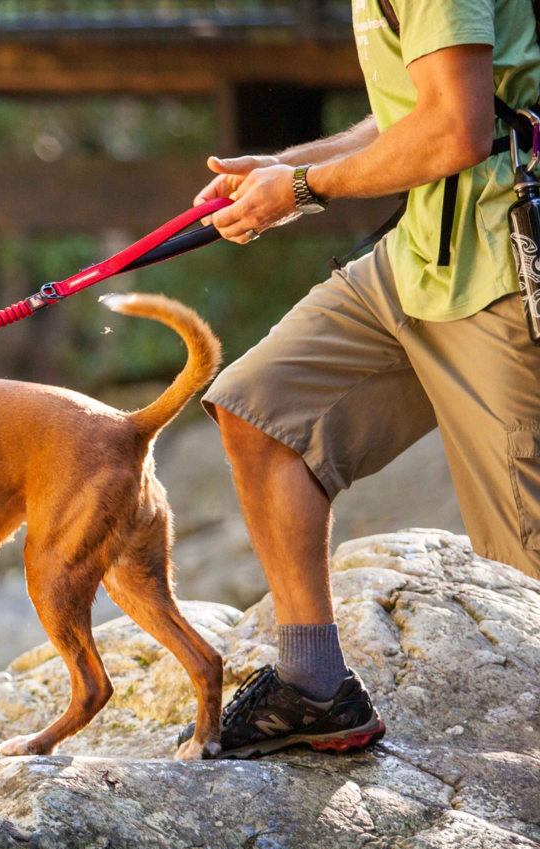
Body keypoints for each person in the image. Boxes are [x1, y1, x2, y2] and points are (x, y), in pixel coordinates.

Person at [180, 0, 540, 758]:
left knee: (525, 569)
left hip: (503, 261)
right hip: (419, 255)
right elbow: (416, 109)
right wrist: (286, 170)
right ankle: (314, 687)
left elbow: (457, 128)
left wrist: (305, 188)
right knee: (261, 410)